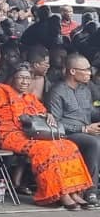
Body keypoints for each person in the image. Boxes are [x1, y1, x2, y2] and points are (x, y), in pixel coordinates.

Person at [0, 64, 95, 209]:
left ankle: (74, 192)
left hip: (31, 134)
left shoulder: (30, 97)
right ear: (12, 78)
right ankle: (60, 194)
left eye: (28, 78)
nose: (25, 81)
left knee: (68, 145)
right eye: (21, 77)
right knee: (46, 149)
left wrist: (48, 115)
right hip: (10, 135)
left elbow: (41, 113)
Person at [45, 54, 100, 201]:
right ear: (73, 71)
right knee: (94, 142)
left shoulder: (85, 90)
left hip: (88, 130)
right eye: (86, 70)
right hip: (68, 134)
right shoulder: (57, 91)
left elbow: (91, 112)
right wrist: (84, 129)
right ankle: (91, 190)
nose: (90, 73)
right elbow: (55, 123)